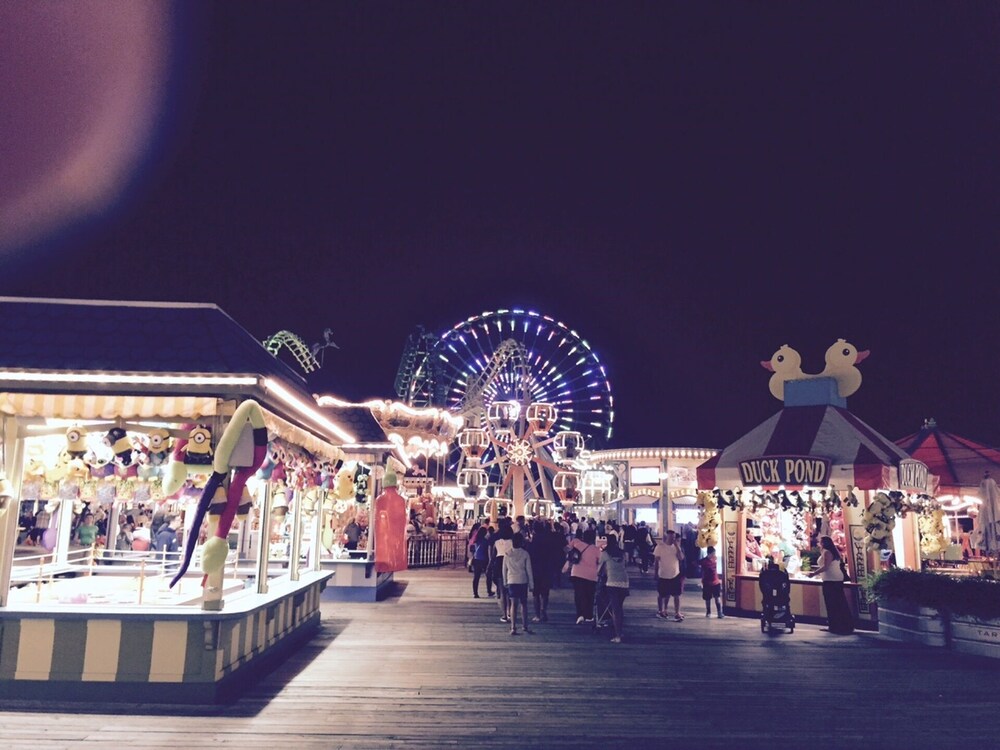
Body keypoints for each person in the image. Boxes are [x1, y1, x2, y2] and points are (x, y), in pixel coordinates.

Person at [808, 535, 854, 635]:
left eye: (820, 542)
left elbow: (826, 566)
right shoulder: (833, 552)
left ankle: (835, 625)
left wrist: (813, 574)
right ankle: (843, 625)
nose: (818, 543)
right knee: (839, 602)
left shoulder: (827, 552)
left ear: (824, 543)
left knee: (832, 603)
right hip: (835, 579)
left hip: (831, 580)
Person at [597, 533, 630, 643]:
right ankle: (619, 630)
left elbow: (599, 569)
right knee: (619, 607)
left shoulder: (605, 553)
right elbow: (626, 565)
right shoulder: (622, 553)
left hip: (612, 582)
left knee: (615, 609)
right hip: (624, 581)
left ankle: (618, 635)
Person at [503, 532, 534, 635]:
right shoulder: (525, 554)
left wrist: (505, 581)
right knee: (524, 604)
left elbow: (504, 570)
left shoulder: (507, 554)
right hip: (522, 580)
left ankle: (513, 627)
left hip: (511, 580)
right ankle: (525, 626)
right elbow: (529, 570)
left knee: (513, 604)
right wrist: (531, 584)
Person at [567, 528, 600, 624]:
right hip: (591, 575)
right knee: (589, 595)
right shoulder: (596, 549)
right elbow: (600, 562)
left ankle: (580, 614)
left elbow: (568, 550)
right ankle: (588, 615)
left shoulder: (577, 544)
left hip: (577, 573)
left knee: (579, 595)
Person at [653, 529, 685, 621]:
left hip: (675, 574)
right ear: (666, 537)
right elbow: (656, 561)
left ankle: (677, 612)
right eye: (671, 537)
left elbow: (681, 558)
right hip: (663, 574)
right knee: (662, 594)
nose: (673, 539)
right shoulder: (660, 547)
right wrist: (655, 573)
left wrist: (677, 547)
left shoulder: (676, 547)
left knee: (677, 595)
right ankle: (661, 610)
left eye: (674, 537)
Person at [528, 520, 552, 622]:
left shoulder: (533, 542)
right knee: (545, 593)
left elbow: (530, 555)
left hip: (535, 569)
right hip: (546, 568)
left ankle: (537, 614)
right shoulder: (548, 540)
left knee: (536, 593)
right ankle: (544, 611)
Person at [492, 521, 514, 622]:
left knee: (502, 591)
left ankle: (504, 614)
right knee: (510, 591)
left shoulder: (497, 542)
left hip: (499, 563)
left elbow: (493, 556)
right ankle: (510, 612)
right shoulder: (513, 543)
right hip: (510, 565)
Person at [701, 546, 724, 618]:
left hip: (715, 582)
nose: (714, 555)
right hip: (707, 582)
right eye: (713, 553)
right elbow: (695, 563)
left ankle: (719, 612)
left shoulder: (715, 558)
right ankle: (708, 612)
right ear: (709, 553)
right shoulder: (704, 561)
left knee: (717, 598)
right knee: (707, 599)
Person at [469, 526, 490, 598]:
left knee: (476, 577)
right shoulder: (486, 541)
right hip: (484, 559)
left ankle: (475, 593)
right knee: (488, 575)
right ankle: (489, 590)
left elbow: (471, 549)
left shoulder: (476, 540)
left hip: (476, 559)